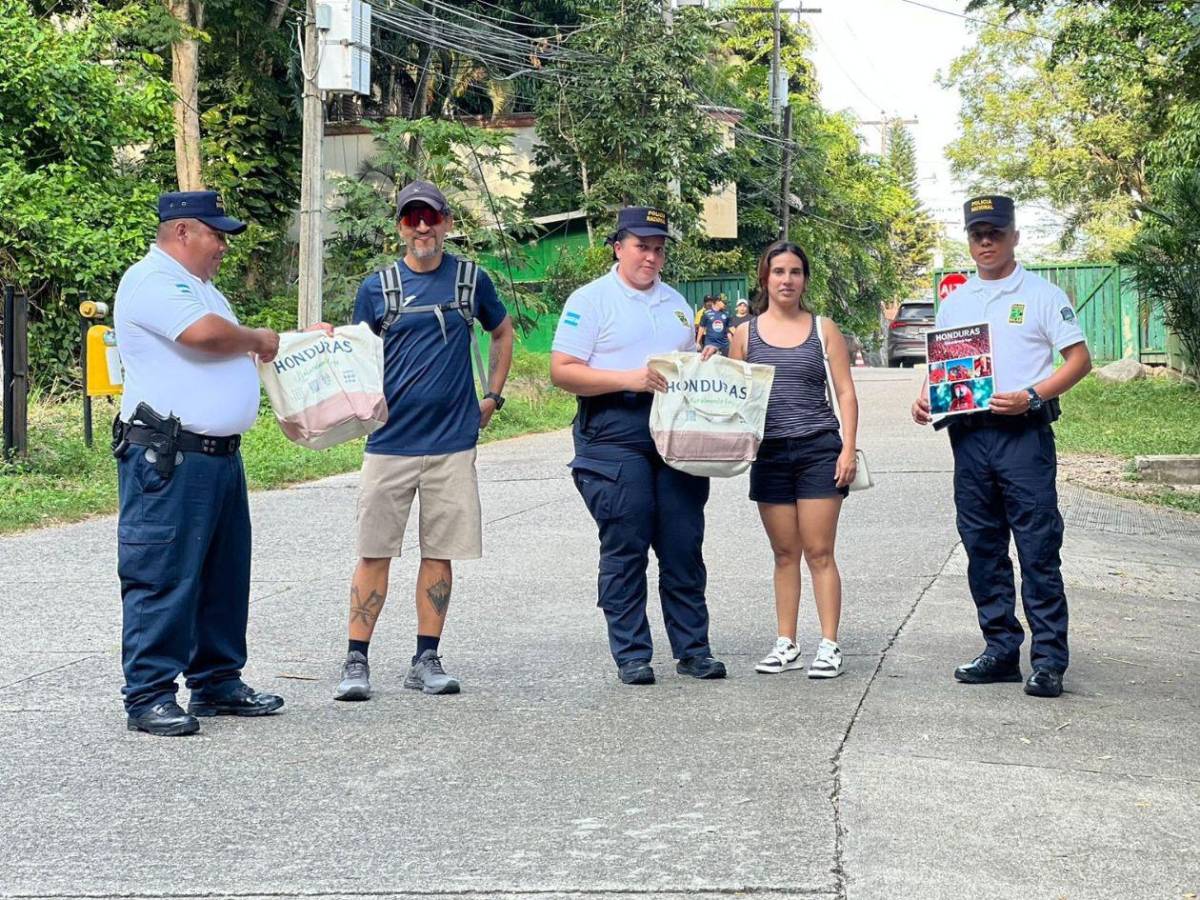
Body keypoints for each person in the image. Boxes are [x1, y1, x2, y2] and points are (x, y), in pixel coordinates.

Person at [113, 191, 285, 737]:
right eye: (217, 235)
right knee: (162, 573)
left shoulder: (201, 288)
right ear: (183, 231)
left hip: (216, 457)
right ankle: (149, 693)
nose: (224, 248)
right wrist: (258, 339)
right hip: (170, 457)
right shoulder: (152, 280)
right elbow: (204, 337)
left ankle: (216, 681)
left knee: (222, 574)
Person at [334, 180, 514, 701]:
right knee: (374, 552)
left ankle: (425, 658)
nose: (421, 228)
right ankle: (355, 660)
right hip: (388, 444)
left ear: (446, 222)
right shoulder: (377, 288)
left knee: (440, 552)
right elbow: (353, 352)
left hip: (452, 445)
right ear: (399, 226)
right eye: (411, 218)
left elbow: (502, 333)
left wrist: (492, 396)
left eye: (430, 218)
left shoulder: (470, 281)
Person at [912, 195, 1091, 699]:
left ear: (1014, 235)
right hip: (969, 437)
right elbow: (945, 368)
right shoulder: (959, 299)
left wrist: (1034, 394)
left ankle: (1049, 660)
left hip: (1023, 436)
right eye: (977, 234)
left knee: (1037, 547)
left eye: (995, 232)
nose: (986, 242)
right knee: (982, 547)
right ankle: (1000, 649)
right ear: (968, 240)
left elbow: (1079, 360)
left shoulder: (1039, 293)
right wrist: (927, 395)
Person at [550, 207, 726, 686]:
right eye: (641, 246)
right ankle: (632, 653)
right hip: (613, 432)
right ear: (618, 247)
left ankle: (693, 650)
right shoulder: (590, 300)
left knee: (683, 543)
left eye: (658, 248)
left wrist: (703, 359)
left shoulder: (674, 304)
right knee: (626, 543)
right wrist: (628, 378)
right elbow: (562, 370)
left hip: (674, 432)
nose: (651, 256)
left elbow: (684, 366)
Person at [730, 241, 858, 678]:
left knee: (819, 552)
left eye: (795, 272)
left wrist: (847, 447)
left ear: (805, 279)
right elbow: (733, 394)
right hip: (769, 453)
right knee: (785, 553)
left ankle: (829, 645)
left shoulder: (824, 329)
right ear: (765, 278)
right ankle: (786, 643)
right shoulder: (744, 335)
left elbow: (844, 392)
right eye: (778, 271)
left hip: (819, 448)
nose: (787, 280)